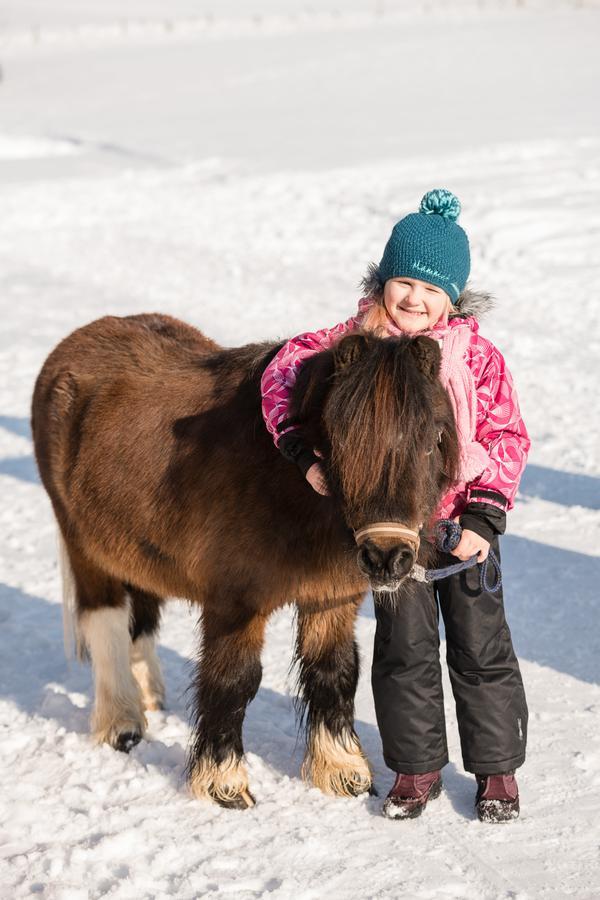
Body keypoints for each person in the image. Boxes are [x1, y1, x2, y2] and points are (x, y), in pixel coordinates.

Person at [260, 189, 530, 823]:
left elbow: (506, 437)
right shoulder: (350, 343)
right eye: (403, 281)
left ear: (453, 298)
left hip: (463, 532)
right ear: (382, 281)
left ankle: (496, 772)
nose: (415, 299)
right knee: (403, 650)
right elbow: (281, 371)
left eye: (431, 289)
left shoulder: (478, 360)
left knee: (481, 650)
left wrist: (484, 518)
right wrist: (305, 456)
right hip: (391, 530)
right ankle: (416, 767)